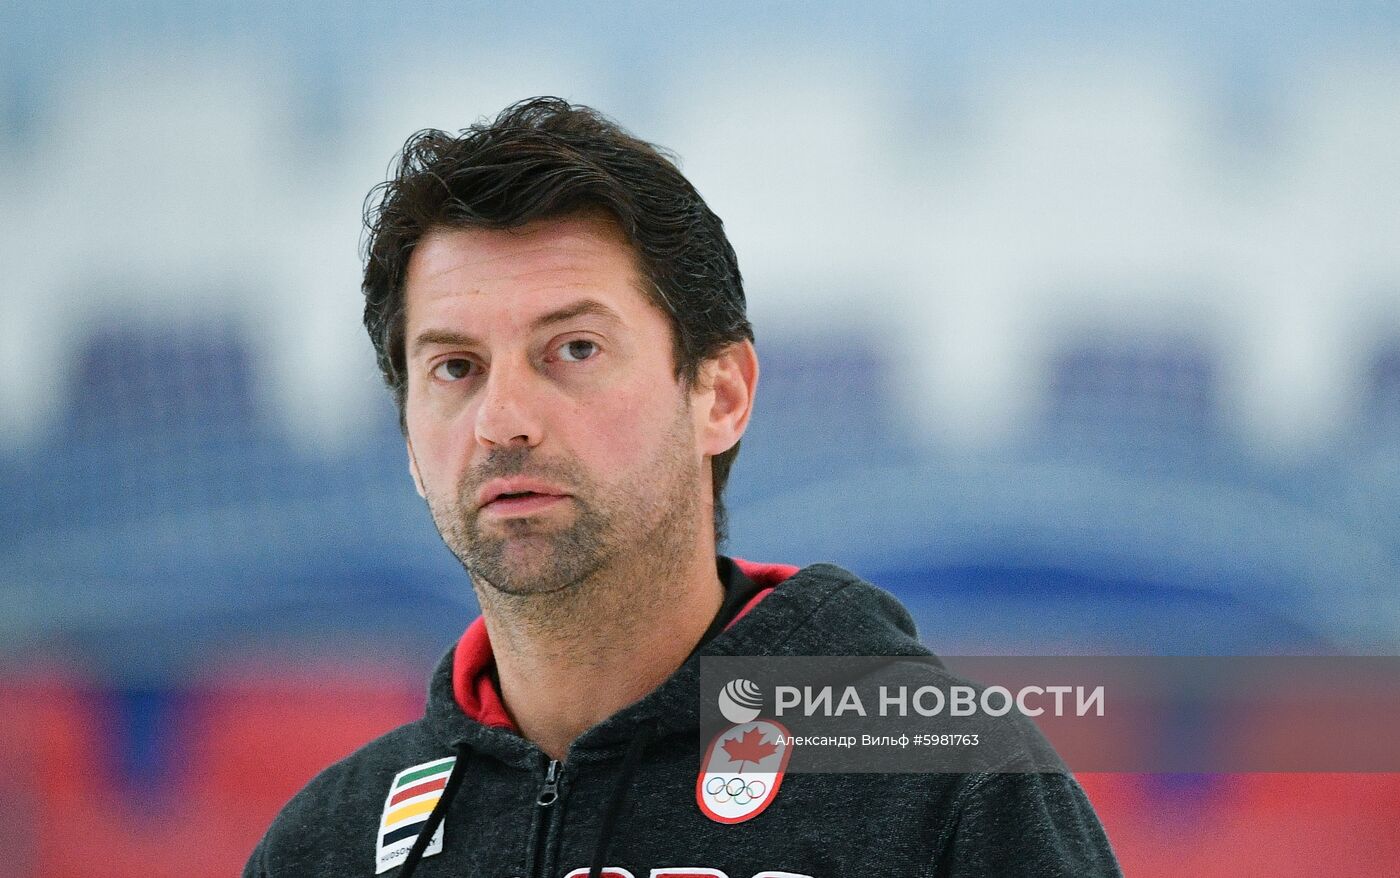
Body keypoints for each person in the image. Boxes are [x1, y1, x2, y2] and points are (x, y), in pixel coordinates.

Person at [244, 96, 1120, 878]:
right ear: (407, 437)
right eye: (455, 367)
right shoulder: (326, 844)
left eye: (574, 349)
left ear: (720, 395)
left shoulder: (951, 792)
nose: (502, 420)